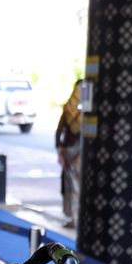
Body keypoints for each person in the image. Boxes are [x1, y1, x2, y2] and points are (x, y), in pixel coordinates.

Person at [55, 80, 82, 228]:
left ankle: (74, 217)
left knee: (74, 186)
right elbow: (59, 131)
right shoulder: (82, 109)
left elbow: (59, 133)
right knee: (71, 186)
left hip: (75, 152)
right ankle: (72, 217)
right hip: (71, 153)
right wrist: (60, 153)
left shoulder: (80, 109)